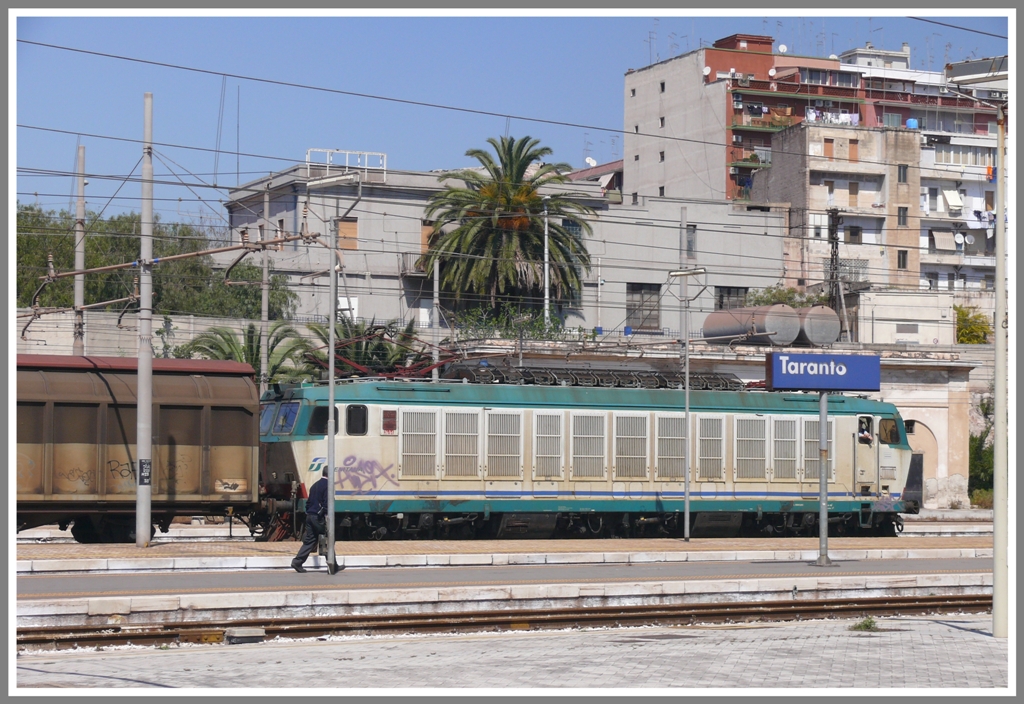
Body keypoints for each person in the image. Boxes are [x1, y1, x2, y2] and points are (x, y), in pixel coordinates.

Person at [291, 468, 339, 573]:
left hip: (310, 516)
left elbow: (309, 502)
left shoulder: (314, 485)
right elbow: (328, 503)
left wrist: (309, 512)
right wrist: (323, 513)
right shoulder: (328, 486)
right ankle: (332, 565)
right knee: (328, 538)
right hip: (318, 517)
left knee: (310, 540)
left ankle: (297, 562)